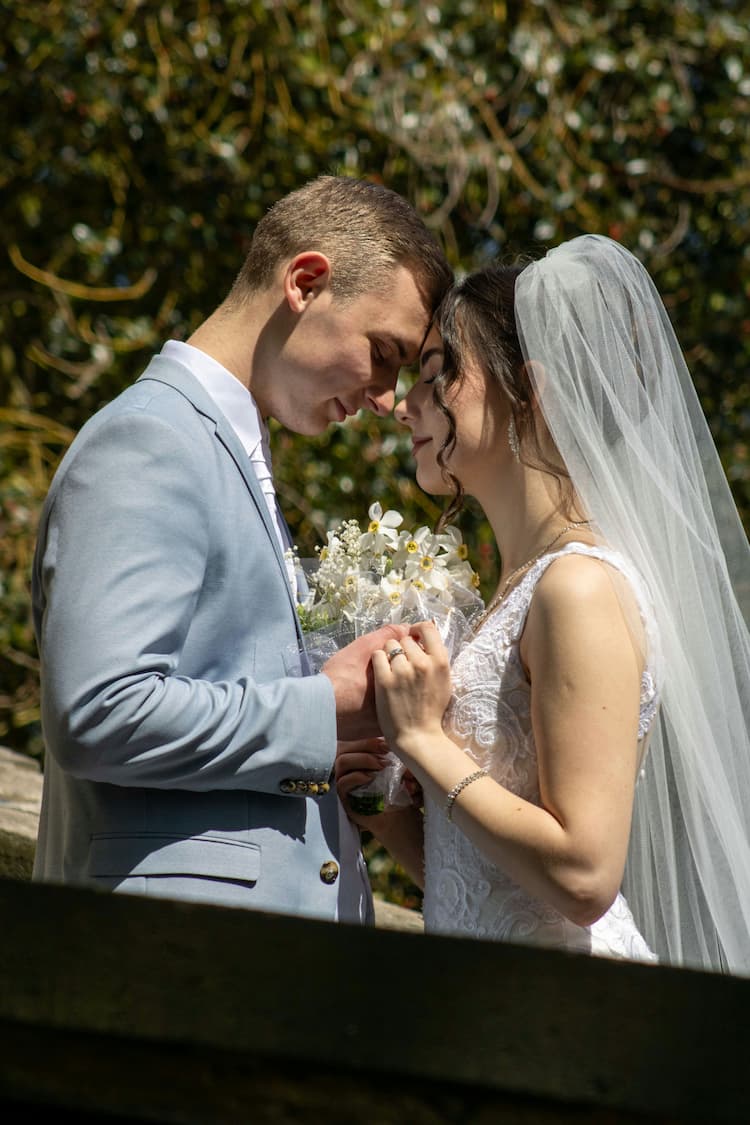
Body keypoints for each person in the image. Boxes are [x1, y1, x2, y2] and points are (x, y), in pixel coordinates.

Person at [31, 175, 452, 923]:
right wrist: (324, 711)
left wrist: (341, 752)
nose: (388, 397)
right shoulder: (152, 439)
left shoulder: (230, 448)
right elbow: (97, 710)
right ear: (305, 281)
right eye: (383, 351)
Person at [337, 234, 750, 973]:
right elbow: (494, 888)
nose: (405, 406)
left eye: (438, 375)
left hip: (577, 1014)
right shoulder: (512, 591)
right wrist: (389, 811)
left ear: (532, 391)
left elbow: (585, 875)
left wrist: (427, 742)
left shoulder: (578, 589)